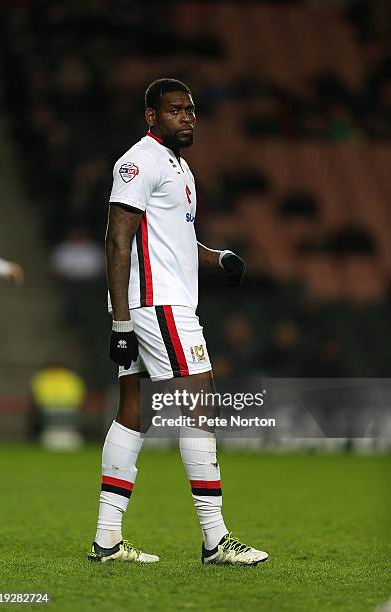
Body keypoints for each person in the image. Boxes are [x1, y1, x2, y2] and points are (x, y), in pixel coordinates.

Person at [88, 78, 269, 566]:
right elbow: (116, 240)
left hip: (157, 302)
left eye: (191, 109)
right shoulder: (139, 161)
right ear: (151, 116)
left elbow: (176, 244)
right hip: (157, 305)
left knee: (134, 412)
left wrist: (218, 258)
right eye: (175, 110)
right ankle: (215, 540)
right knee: (200, 403)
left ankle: (106, 541)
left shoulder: (179, 168)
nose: (188, 117)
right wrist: (122, 323)